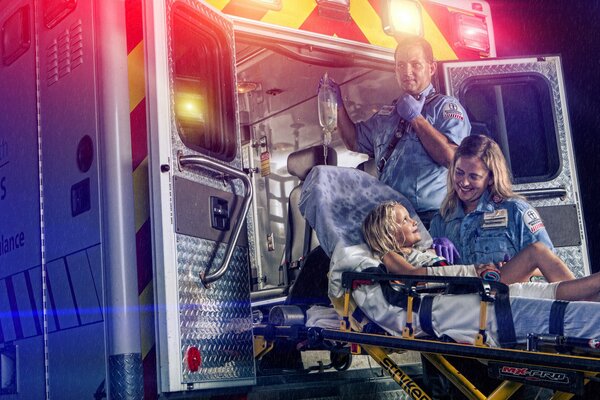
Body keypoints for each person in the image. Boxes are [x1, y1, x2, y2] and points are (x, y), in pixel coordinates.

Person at [324, 36, 471, 220]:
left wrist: (416, 119)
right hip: (393, 220)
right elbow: (354, 140)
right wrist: (337, 105)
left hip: (430, 219)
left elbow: (453, 159)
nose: (407, 71)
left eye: (415, 64)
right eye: (400, 65)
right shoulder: (388, 114)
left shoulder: (445, 107)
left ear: (431, 68)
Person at [361, 201, 592, 301]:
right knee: (536, 252)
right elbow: (410, 277)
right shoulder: (389, 255)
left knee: (538, 256)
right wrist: (471, 269)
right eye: (405, 220)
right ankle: (580, 305)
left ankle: (583, 304)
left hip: (476, 284)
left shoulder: (424, 251)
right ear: (389, 234)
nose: (414, 222)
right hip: (473, 290)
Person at [429, 134, 554, 266]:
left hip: (510, 287)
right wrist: (431, 254)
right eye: (459, 173)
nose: (464, 182)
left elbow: (548, 266)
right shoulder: (442, 220)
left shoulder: (516, 212)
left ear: (491, 178)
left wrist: (514, 270)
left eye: (473, 176)